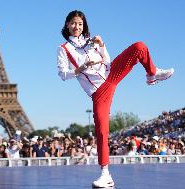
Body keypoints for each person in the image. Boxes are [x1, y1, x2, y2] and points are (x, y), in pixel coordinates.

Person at [57, 10, 174, 188]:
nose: (76, 27)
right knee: (102, 131)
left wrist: (102, 45)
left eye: (80, 24)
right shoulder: (64, 49)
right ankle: (105, 174)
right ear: (67, 25)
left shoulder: (91, 42)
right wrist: (83, 67)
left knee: (139, 46)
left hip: (111, 74)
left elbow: (108, 60)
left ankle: (152, 73)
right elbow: (63, 74)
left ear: (83, 26)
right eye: (73, 23)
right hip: (98, 90)